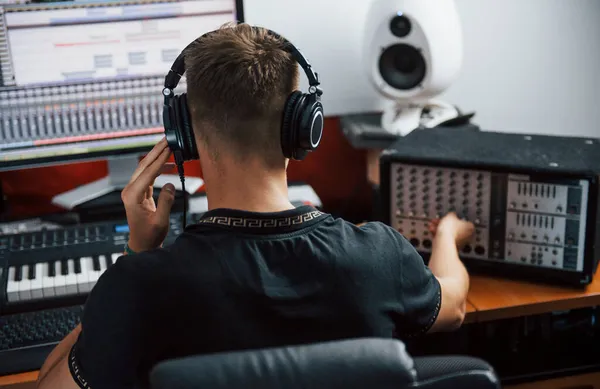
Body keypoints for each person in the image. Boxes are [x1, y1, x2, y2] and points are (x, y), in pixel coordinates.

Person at [36, 23, 473, 389]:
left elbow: (47, 385)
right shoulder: (380, 255)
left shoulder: (139, 287)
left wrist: (137, 250)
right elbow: (452, 306)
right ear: (302, 128)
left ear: (183, 136)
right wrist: (447, 234)